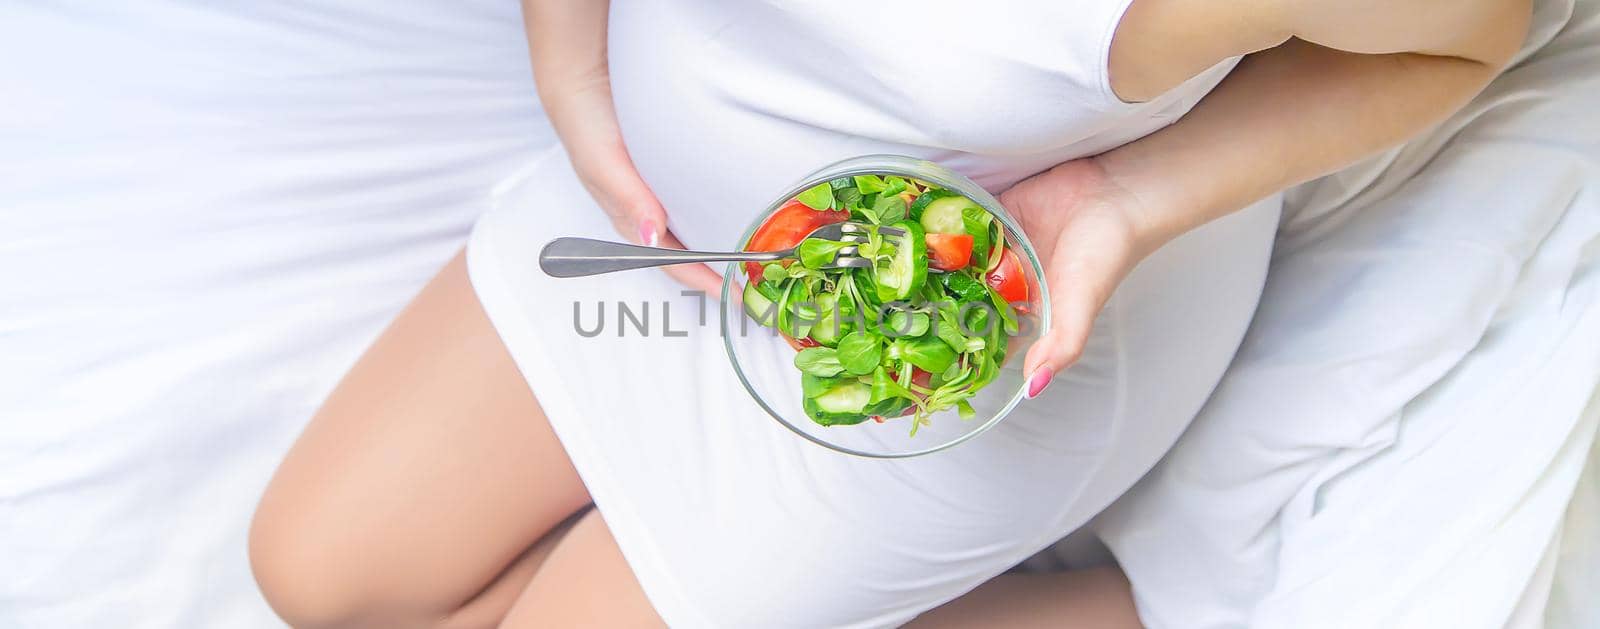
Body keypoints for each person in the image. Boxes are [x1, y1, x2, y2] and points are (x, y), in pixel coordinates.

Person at [246, 0, 1583, 627]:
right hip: (663, 240)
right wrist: (572, 52)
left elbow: (1462, 34)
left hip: (949, 379)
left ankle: (1100, 613)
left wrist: (1123, 202)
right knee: (312, 569)